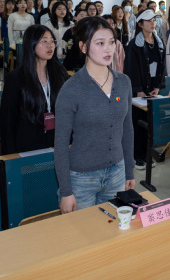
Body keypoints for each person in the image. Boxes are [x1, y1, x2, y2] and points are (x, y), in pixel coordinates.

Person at [55, 17, 135, 212]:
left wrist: (129, 171)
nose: (108, 49)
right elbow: (61, 145)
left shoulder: (123, 82)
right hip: (81, 178)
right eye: (100, 43)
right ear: (83, 47)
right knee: (83, 230)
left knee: (112, 226)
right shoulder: (71, 89)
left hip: (117, 173)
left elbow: (127, 129)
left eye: (111, 42)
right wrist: (66, 191)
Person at [0, 25, 69, 155]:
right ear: (31, 44)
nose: (50, 45)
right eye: (44, 41)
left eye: (52, 41)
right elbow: (8, 122)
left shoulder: (60, 74)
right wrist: (10, 156)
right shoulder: (15, 78)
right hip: (27, 147)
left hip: (56, 144)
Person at [124, 9, 165, 169]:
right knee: (137, 124)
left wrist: (157, 86)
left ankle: (147, 155)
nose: (152, 23)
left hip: (152, 90)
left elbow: (161, 67)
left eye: (154, 20)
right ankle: (137, 156)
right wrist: (138, 89)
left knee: (150, 124)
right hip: (139, 92)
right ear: (140, 24)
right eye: (148, 21)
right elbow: (130, 69)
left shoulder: (159, 43)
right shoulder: (134, 45)